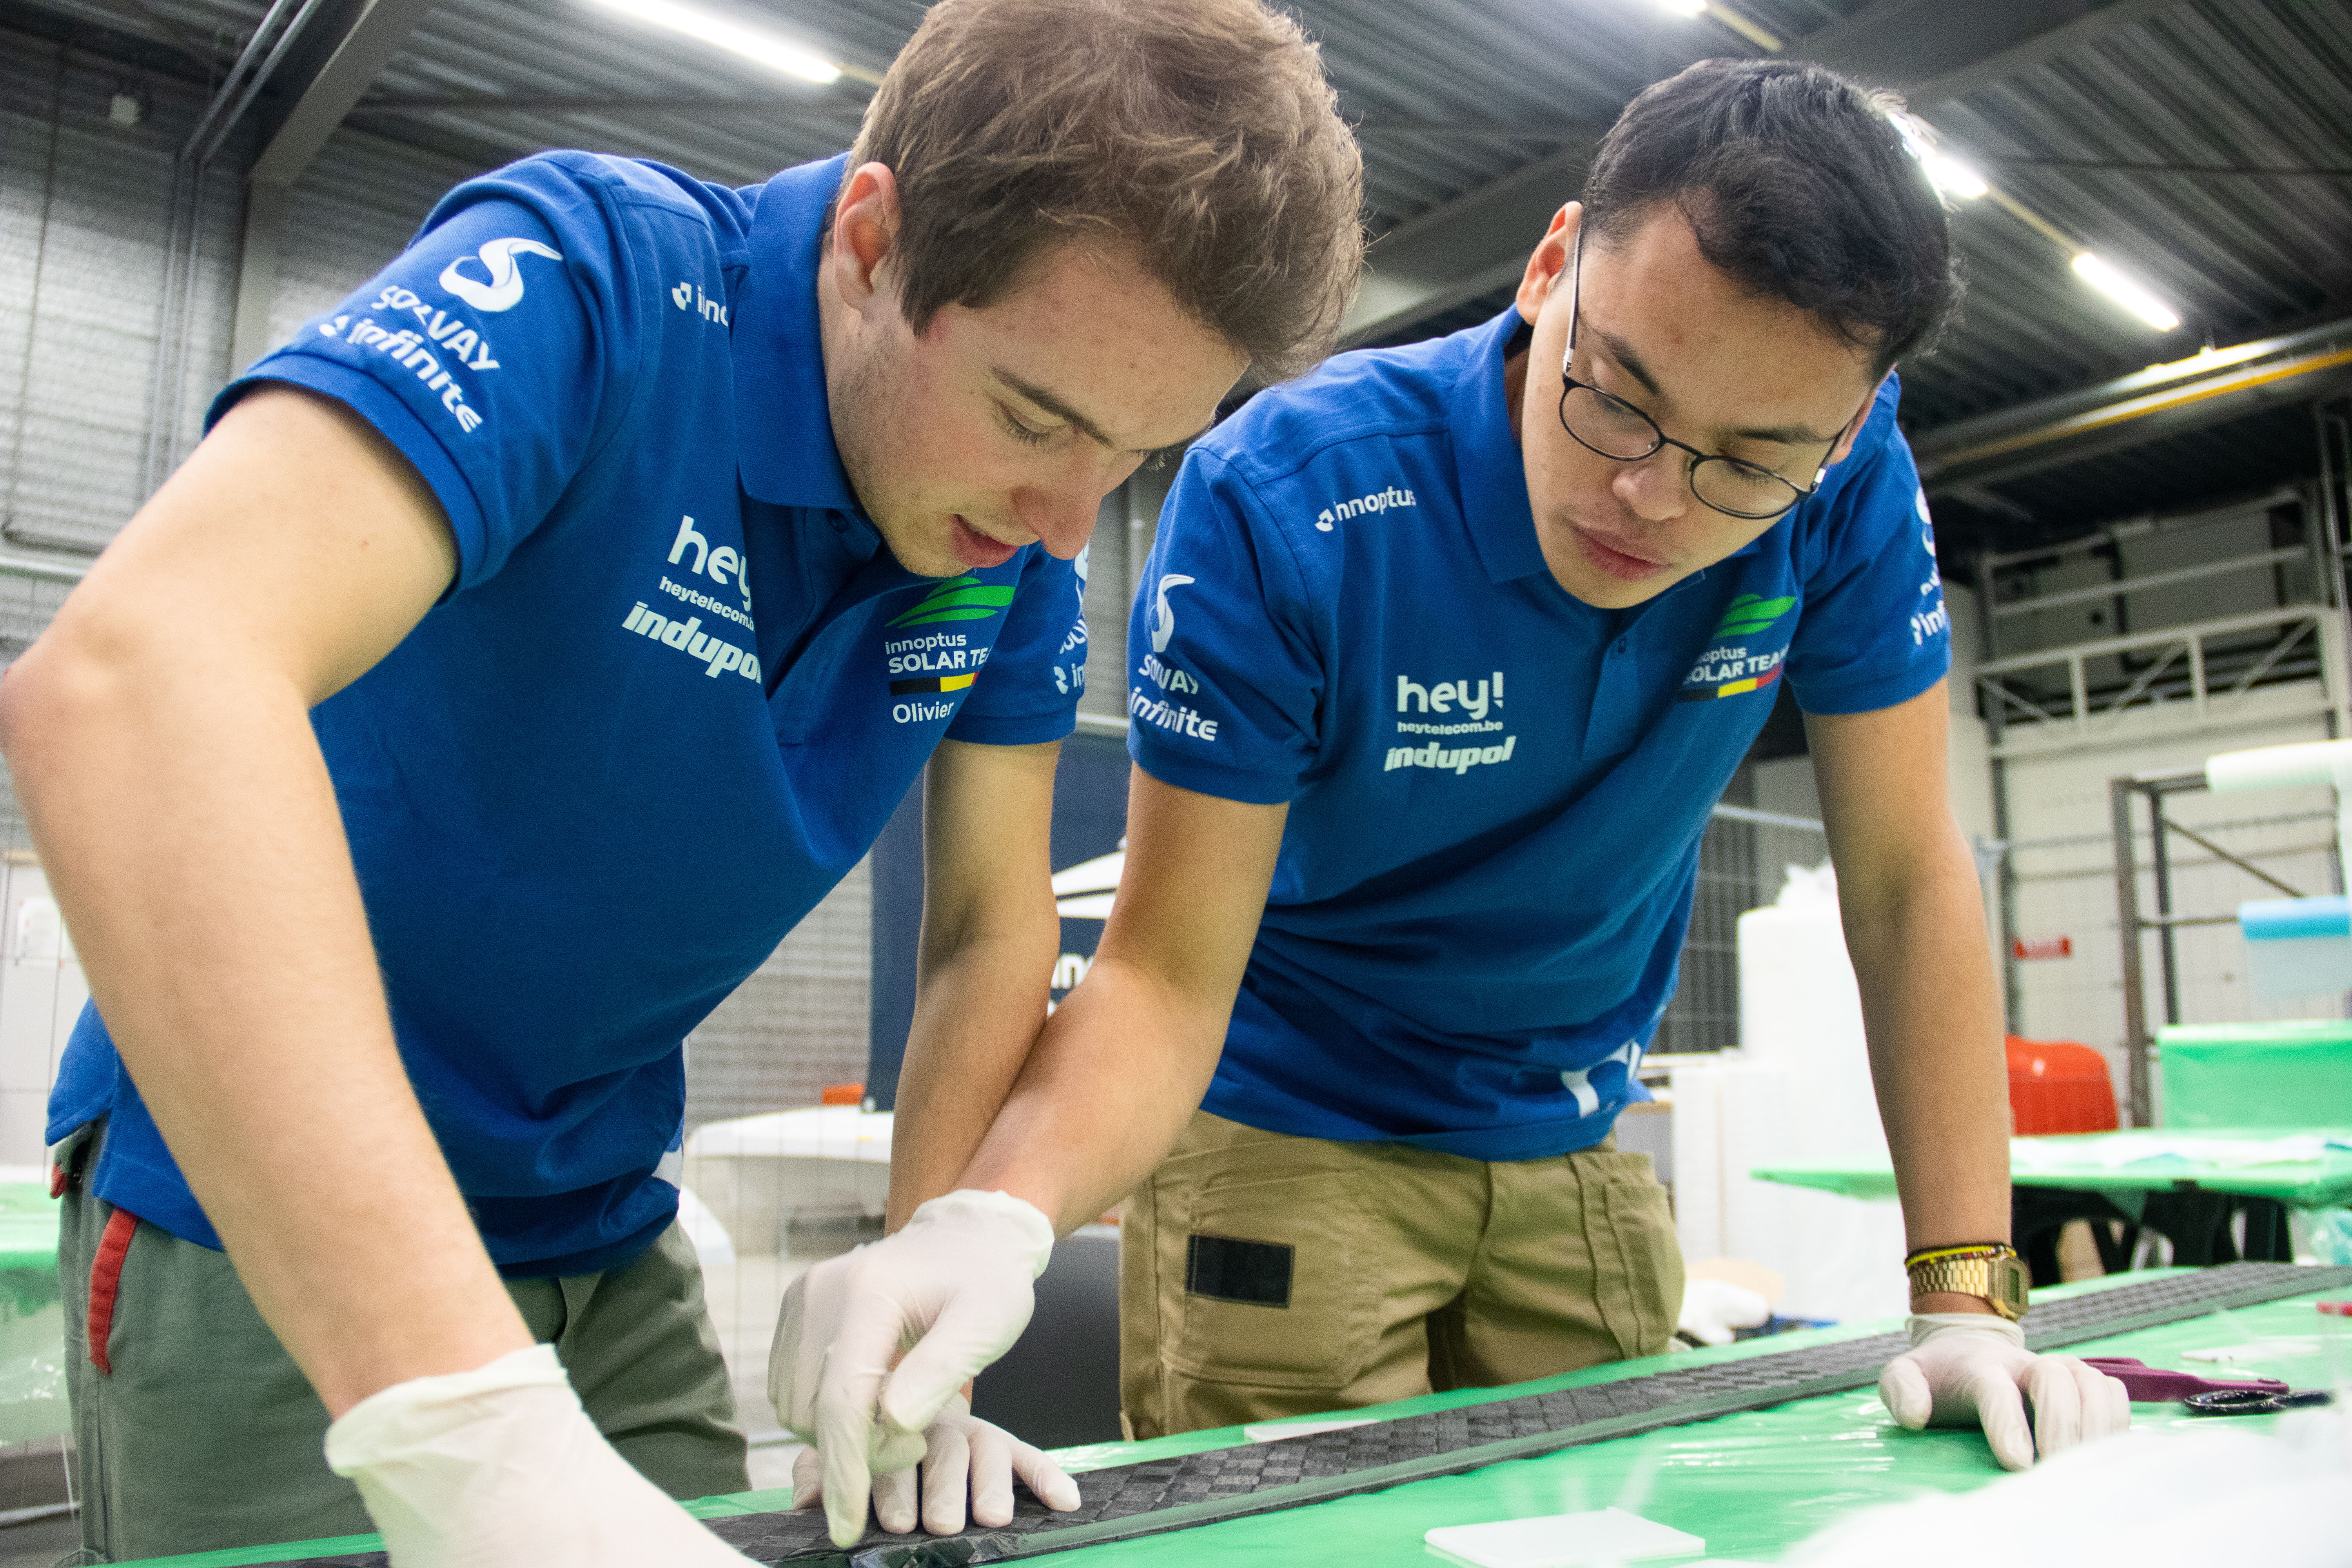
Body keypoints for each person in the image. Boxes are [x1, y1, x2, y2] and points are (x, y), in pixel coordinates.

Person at [0, 0, 1362, 1560]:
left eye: (1136, 453)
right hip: (250, 1215)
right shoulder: (593, 287)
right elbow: (136, 679)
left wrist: (932, 1284)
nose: (1067, 519)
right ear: (871, 242)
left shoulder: (1010, 556)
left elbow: (991, 930)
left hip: (601, 1221)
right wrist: (460, 1420)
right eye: (1034, 415)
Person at [777, 58, 2130, 1539]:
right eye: (1620, 399)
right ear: (1551, 267)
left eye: (1751, 464)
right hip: (1291, 1117)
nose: (1655, 498)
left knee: (1634, 1529)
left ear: (1854, 419)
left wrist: (1970, 1297)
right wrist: (993, 1218)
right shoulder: (1287, 500)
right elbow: (1163, 970)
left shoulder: (1850, 487)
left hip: (1566, 1127)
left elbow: (1905, 881)